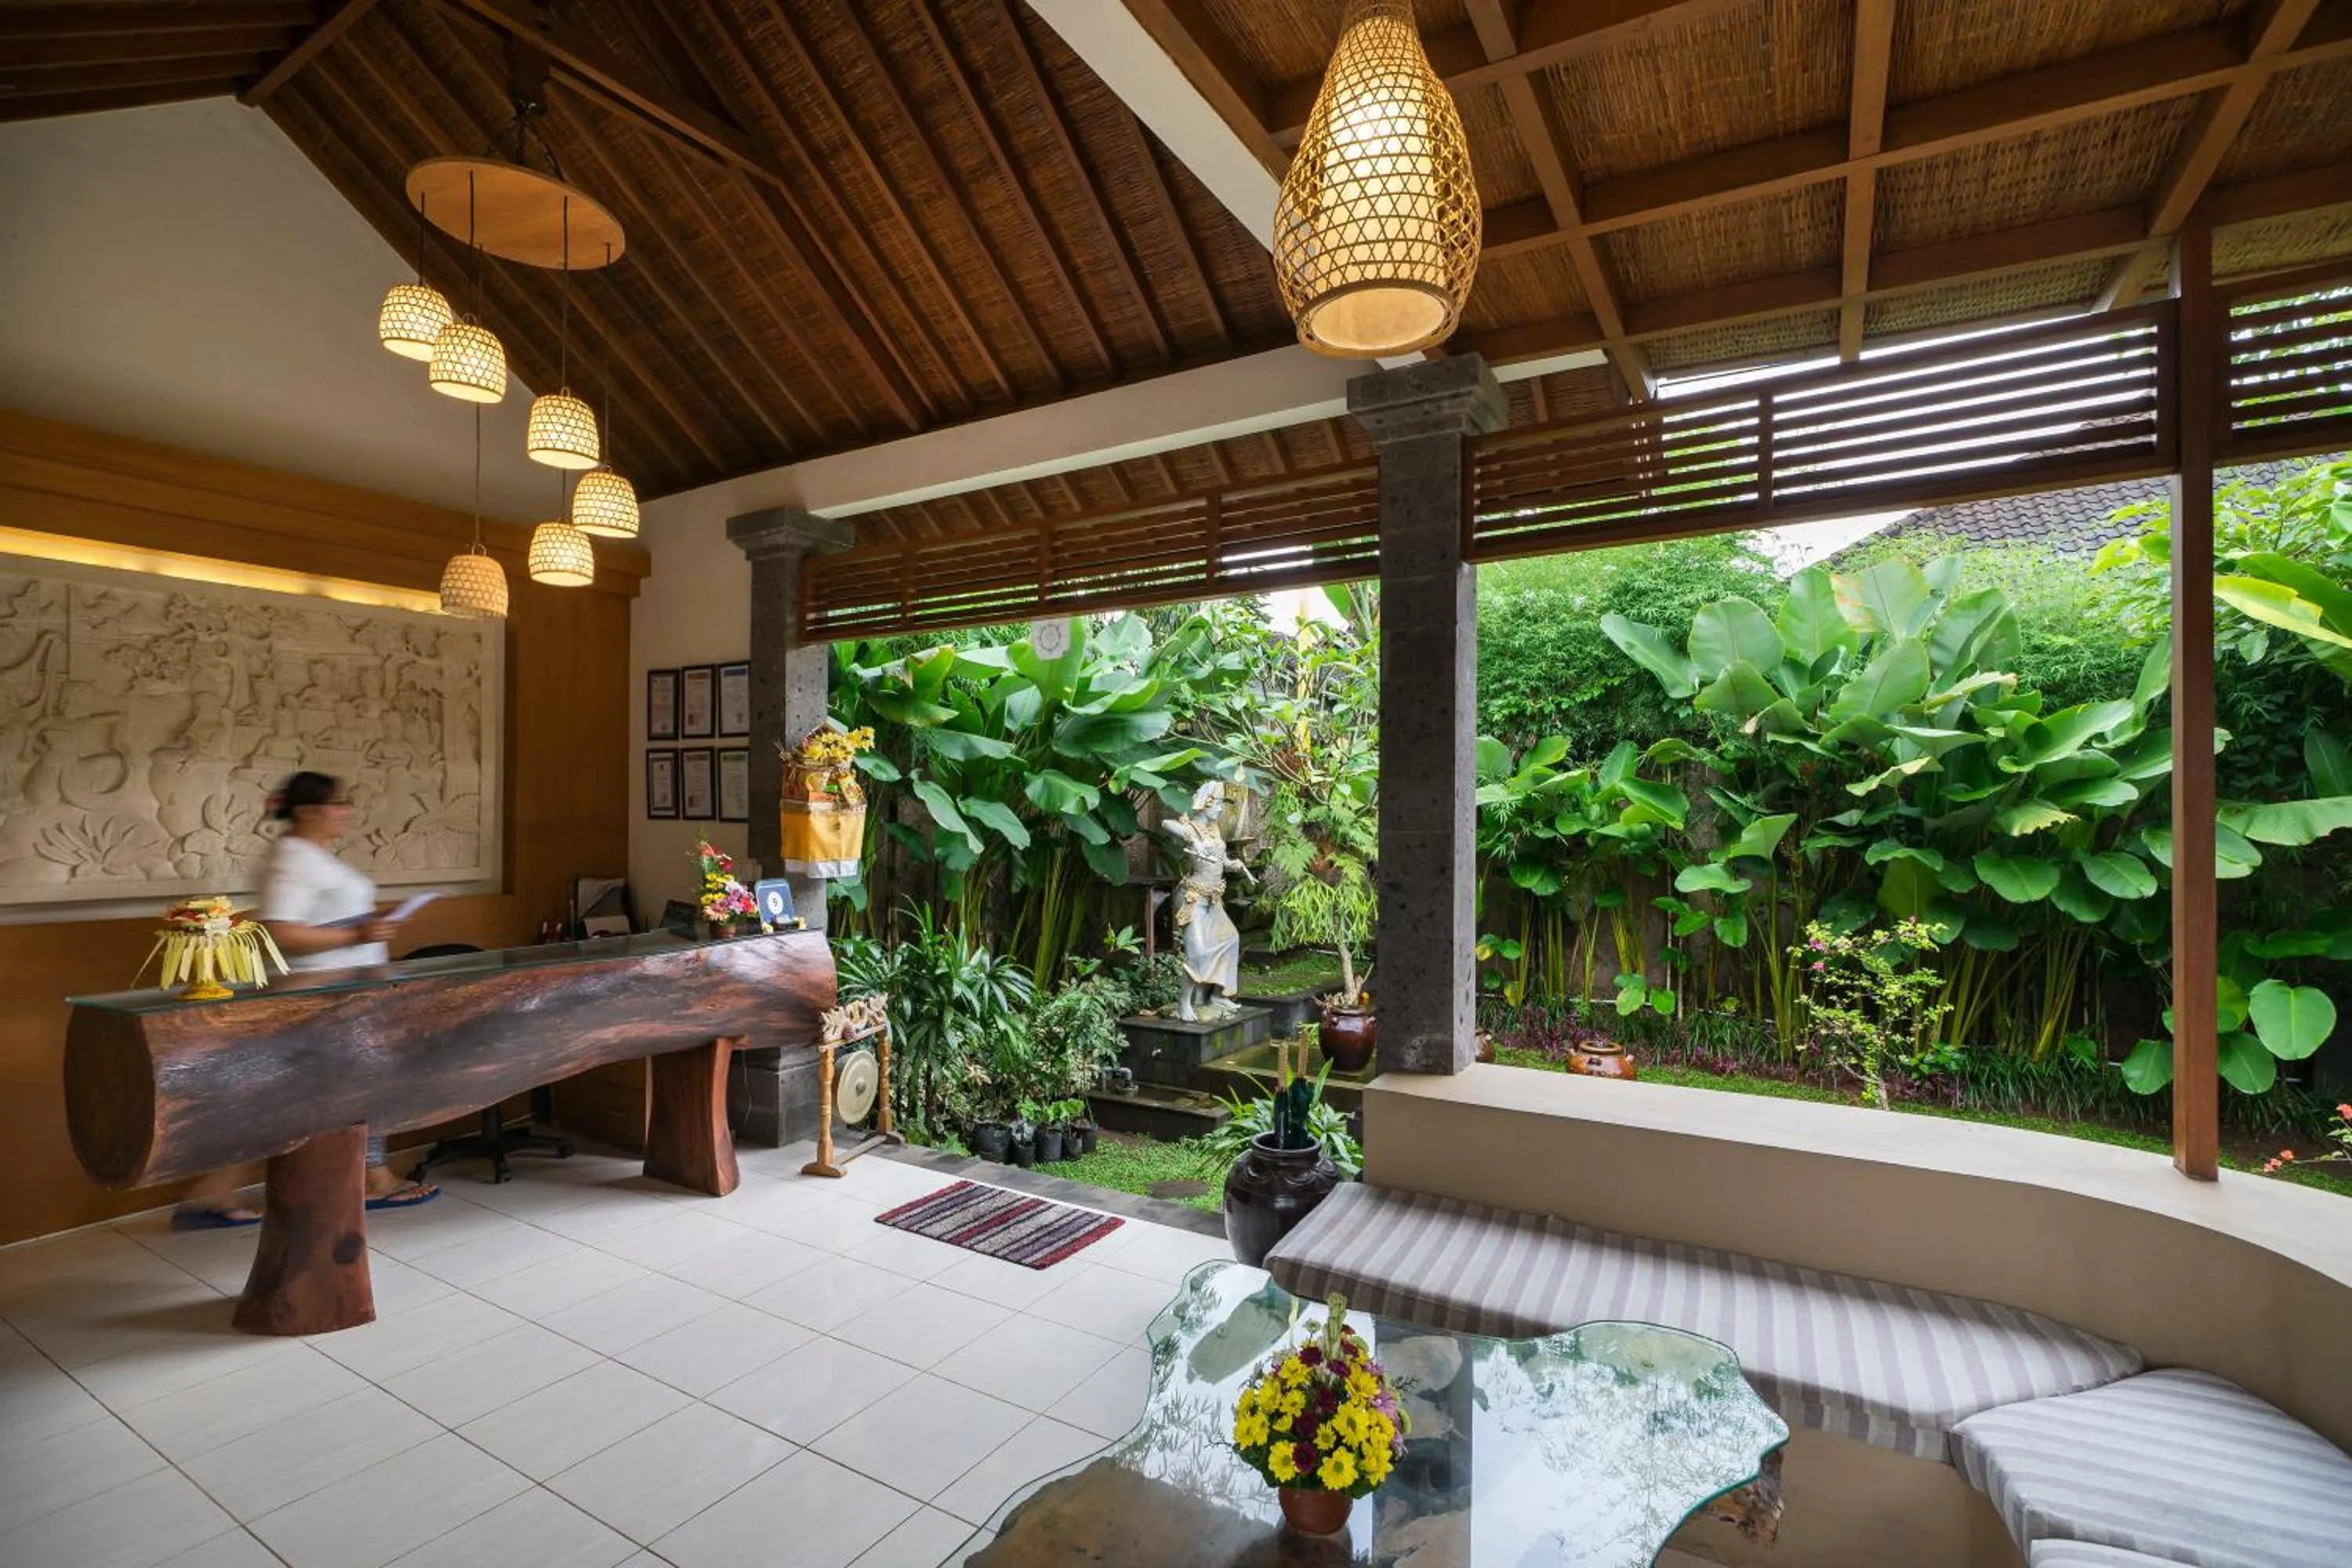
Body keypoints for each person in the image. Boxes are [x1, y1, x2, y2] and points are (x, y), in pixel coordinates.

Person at [172, 770, 438, 1228]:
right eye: (337, 804)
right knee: (312, 1093)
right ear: (306, 810)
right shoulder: (291, 858)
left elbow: (328, 918)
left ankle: (215, 1192)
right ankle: (370, 1180)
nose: (345, 812)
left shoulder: (317, 857)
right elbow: (280, 932)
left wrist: (369, 925)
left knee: (321, 1092)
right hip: (316, 995)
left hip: (349, 989)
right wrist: (357, 932)